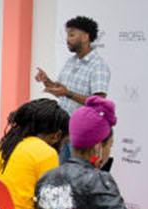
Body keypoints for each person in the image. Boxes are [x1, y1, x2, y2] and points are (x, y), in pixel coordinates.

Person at [36, 15, 109, 162]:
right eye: (67, 34)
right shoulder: (71, 62)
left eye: (72, 34)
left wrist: (68, 93)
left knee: (74, 179)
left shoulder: (98, 66)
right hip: (62, 132)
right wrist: (47, 81)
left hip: (81, 137)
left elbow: (98, 103)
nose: (67, 39)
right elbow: (61, 91)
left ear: (86, 37)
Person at [0, 99, 68, 209]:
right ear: (56, 136)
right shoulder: (46, 152)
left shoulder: (8, 144)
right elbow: (53, 205)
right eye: (65, 142)